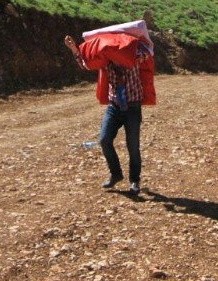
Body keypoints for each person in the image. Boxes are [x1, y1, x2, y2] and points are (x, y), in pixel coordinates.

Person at [64, 28, 155, 194]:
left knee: (133, 146)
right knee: (105, 140)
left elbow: (148, 50)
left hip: (133, 107)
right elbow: (86, 63)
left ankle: (135, 181)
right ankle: (116, 174)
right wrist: (74, 49)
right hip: (114, 107)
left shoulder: (134, 56)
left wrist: (132, 37)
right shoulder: (105, 60)